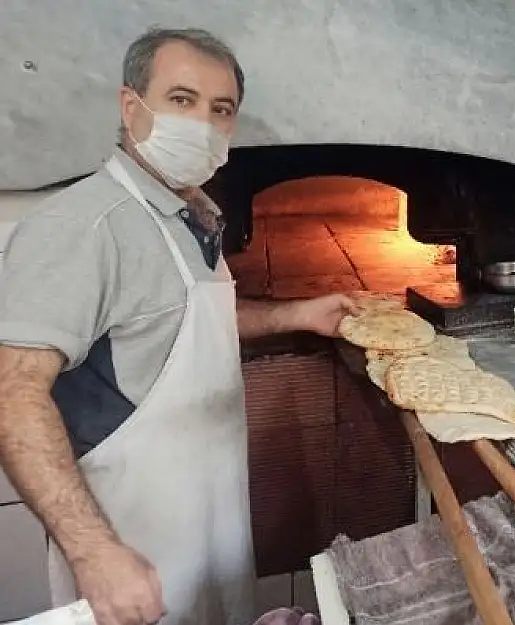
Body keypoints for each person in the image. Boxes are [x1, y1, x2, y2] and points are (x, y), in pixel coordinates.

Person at [0, 28, 354, 625]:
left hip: (209, 520)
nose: (203, 124)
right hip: (131, 535)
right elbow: (13, 392)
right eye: (182, 100)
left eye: (221, 110)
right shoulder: (84, 226)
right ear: (130, 106)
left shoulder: (189, 213)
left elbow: (186, 323)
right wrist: (95, 554)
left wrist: (297, 315)